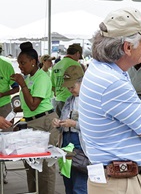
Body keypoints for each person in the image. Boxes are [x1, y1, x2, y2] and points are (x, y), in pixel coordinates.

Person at [78, 7, 141, 194]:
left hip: (111, 178)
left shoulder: (101, 69)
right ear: (127, 47)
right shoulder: (112, 81)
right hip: (118, 183)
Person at [10, 41, 59, 194]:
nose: (20, 66)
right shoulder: (30, 77)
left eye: (23, 63)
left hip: (44, 122)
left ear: (33, 62)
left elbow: (33, 105)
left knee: (45, 166)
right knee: (30, 165)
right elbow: (26, 106)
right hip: (31, 122)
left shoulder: (41, 78)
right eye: (19, 63)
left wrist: (22, 85)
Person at [52, 65, 87, 194]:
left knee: (80, 185)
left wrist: (74, 124)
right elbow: (63, 118)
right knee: (69, 183)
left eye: (73, 86)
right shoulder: (69, 100)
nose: (70, 89)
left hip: (80, 144)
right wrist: (59, 123)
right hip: (67, 143)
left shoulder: (90, 101)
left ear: (82, 82)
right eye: (68, 87)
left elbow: (94, 126)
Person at [51, 44, 82, 117]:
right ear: (77, 53)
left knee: (59, 125)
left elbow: (52, 86)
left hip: (57, 100)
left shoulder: (56, 65)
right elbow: (82, 83)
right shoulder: (75, 65)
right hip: (70, 100)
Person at [0, 52, 19, 128]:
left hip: (4, 106)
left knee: (7, 134)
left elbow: (16, 88)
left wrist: (3, 94)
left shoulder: (6, 66)